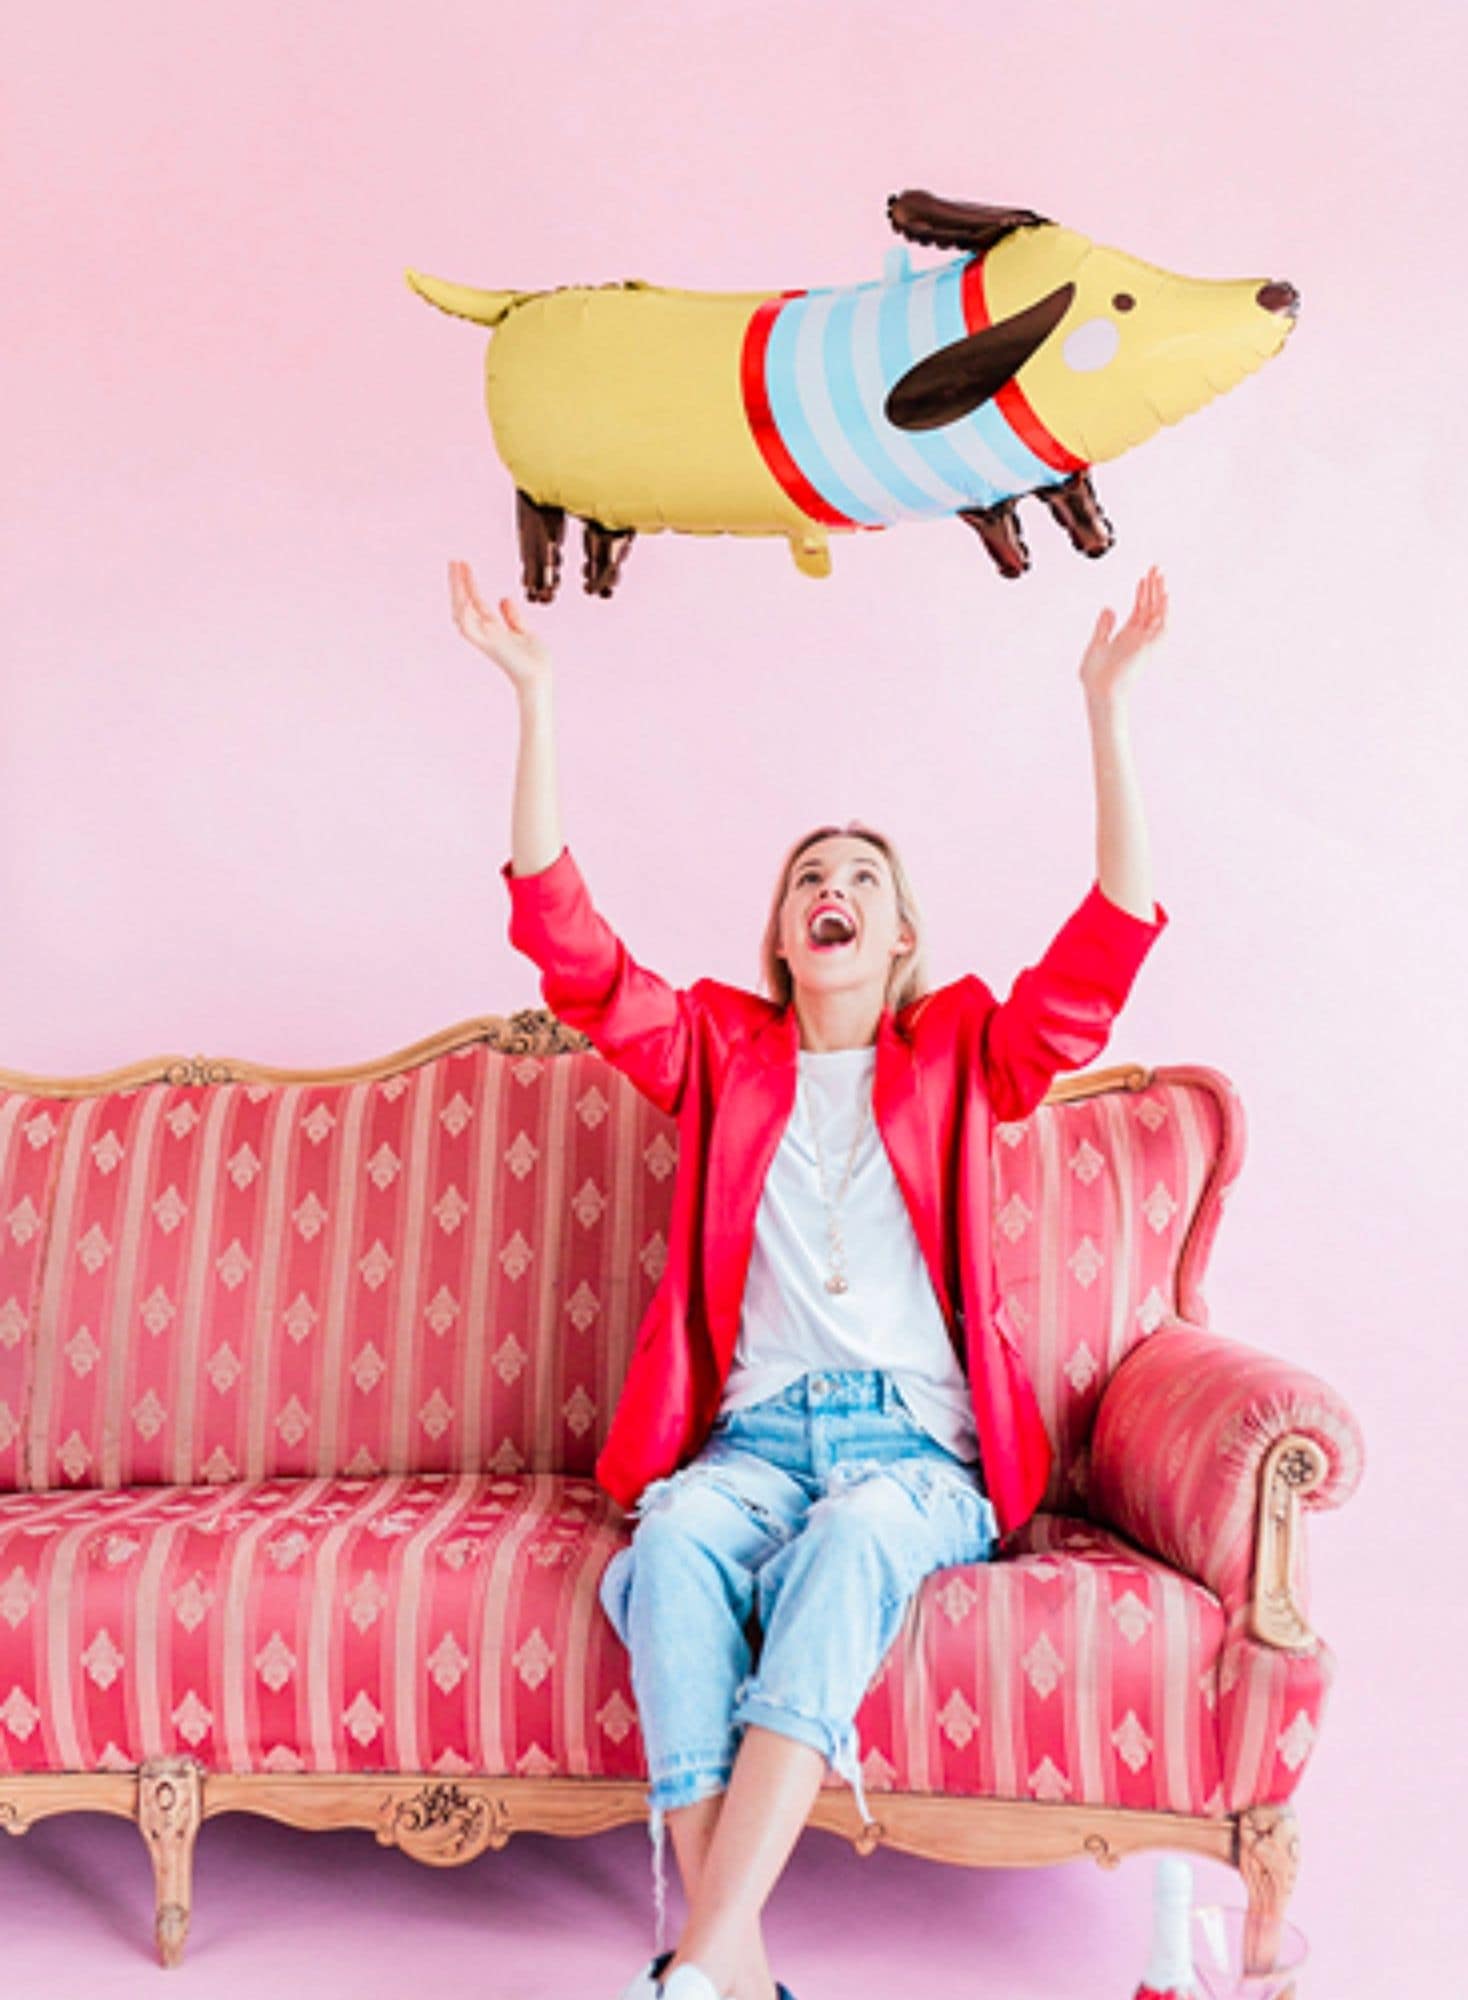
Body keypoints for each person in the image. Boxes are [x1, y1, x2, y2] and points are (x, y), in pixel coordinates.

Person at [448, 558, 1171, 2000]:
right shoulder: (721, 1050)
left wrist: (1109, 713)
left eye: (862, 882)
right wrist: (532, 700)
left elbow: (1105, 951)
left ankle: (698, 1958)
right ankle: (732, 1968)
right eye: (806, 882)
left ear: (900, 940)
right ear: (782, 939)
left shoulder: (966, 1046)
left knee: (851, 1554)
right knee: (666, 1560)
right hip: (754, 1443)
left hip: (914, 1445)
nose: (831, 891)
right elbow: (574, 955)